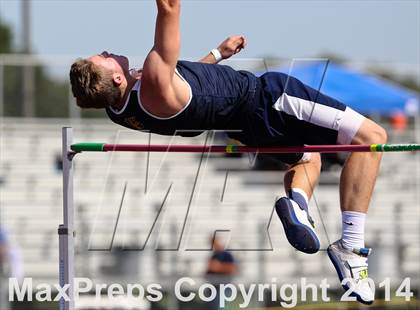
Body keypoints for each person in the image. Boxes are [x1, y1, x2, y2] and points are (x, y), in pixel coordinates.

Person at [69, 0, 387, 305]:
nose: (106, 51)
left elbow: (184, 86)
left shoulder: (120, 110)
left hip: (242, 127)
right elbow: (169, 6)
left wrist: (216, 54)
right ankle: (351, 246)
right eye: (103, 57)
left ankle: (298, 205)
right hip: (268, 98)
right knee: (371, 137)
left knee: (308, 157)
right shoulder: (152, 79)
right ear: (116, 77)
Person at [206, 236, 238, 310]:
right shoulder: (214, 256)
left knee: (221, 307)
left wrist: (218, 267)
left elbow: (233, 268)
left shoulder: (227, 254)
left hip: (225, 287)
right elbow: (209, 270)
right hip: (214, 287)